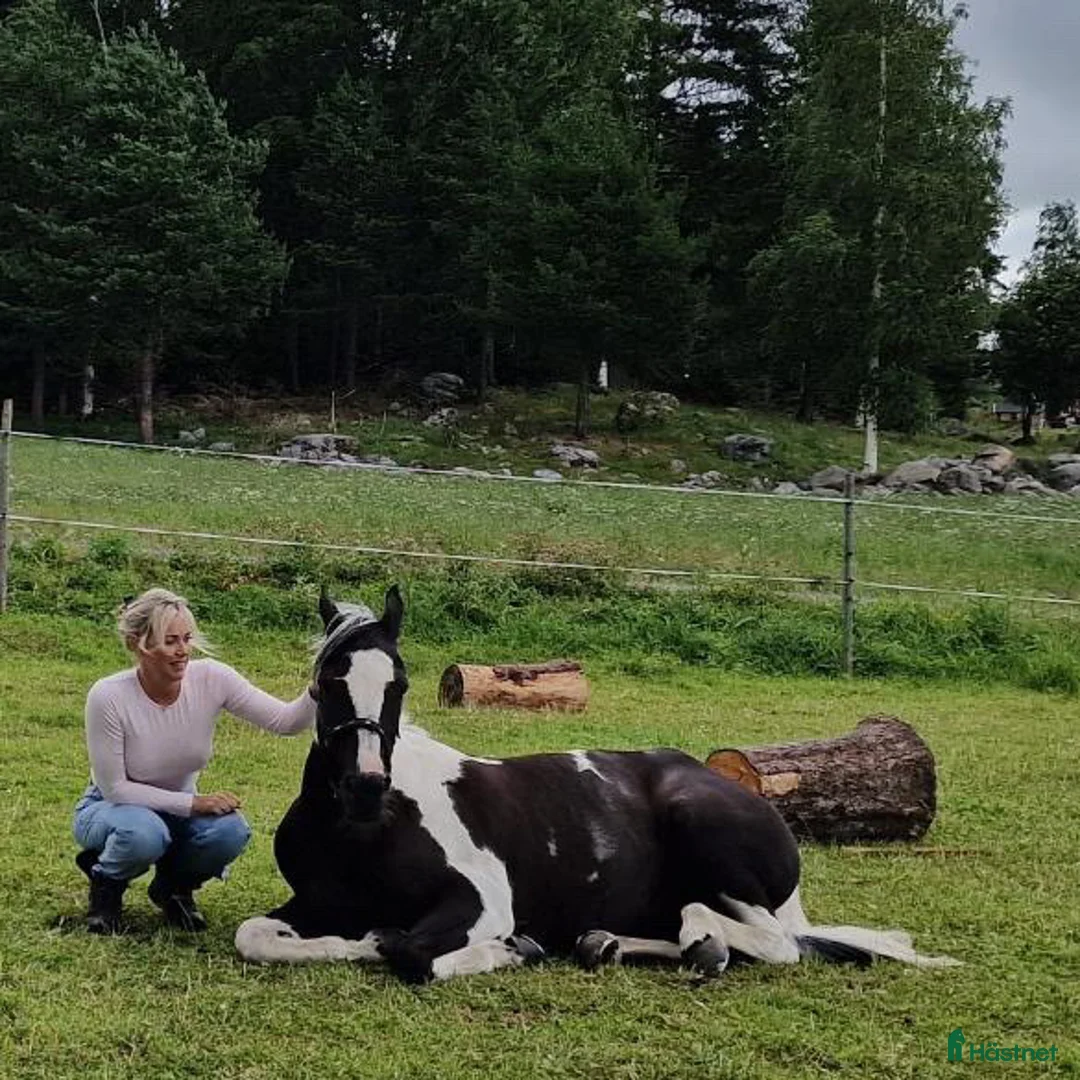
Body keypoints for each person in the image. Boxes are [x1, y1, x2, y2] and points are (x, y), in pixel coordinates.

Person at [72, 588, 316, 934]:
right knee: (144, 833)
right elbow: (115, 788)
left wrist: (319, 688)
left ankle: (173, 889)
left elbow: (286, 722)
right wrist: (194, 803)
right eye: (170, 641)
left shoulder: (212, 678)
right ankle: (106, 885)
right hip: (109, 808)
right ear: (135, 644)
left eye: (187, 639)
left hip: (176, 810)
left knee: (231, 831)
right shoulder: (108, 696)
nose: (183, 650)